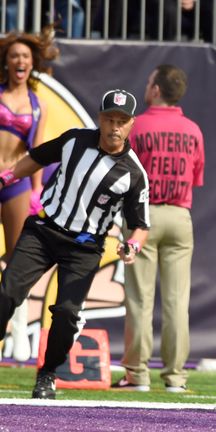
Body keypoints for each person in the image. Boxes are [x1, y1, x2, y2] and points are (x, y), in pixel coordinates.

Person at [0, 89, 150, 399]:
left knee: (67, 312)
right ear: (100, 117)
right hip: (43, 231)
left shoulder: (134, 173)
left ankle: (48, 373)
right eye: (110, 119)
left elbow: (139, 226)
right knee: (7, 291)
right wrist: (7, 177)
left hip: (83, 246)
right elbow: (36, 158)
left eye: (122, 121)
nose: (114, 127)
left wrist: (132, 247)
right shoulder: (74, 140)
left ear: (132, 123)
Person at [111, 65, 204, 393]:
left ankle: (137, 375)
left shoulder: (137, 127)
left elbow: (121, 172)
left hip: (142, 216)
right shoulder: (193, 130)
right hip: (180, 215)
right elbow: (195, 178)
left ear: (155, 90)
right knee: (177, 301)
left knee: (139, 298)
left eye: (149, 82)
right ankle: (175, 378)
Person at [0, 25, 59, 363]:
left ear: (31, 62)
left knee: (17, 258)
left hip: (17, 185)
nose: (19, 61)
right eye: (14, 56)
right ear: (6, 62)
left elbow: (36, 152)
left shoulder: (38, 104)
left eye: (24, 56)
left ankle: (16, 331)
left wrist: (37, 191)